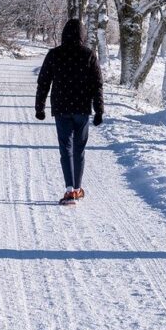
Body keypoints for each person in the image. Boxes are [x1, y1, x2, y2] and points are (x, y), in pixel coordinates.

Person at [35, 18, 104, 205]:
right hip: (82, 109)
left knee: (65, 149)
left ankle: (68, 190)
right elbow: (97, 85)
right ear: (83, 35)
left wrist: (39, 107)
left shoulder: (54, 54)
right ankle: (77, 189)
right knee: (79, 150)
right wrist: (99, 111)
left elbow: (43, 82)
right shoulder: (89, 55)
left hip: (62, 108)